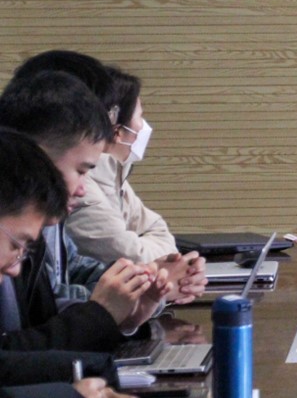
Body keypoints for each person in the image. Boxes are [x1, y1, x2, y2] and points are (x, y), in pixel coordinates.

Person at [0, 71, 179, 353]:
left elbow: (42, 322)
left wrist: (128, 308)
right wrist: (103, 314)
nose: (84, 189)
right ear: (37, 156)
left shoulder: (33, 228)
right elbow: (12, 355)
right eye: (81, 171)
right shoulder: (16, 223)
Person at [7, 53, 202, 304]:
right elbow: (47, 308)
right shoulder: (42, 198)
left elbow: (74, 269)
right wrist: (137, 292)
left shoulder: (80, 179)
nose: (112, 130)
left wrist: (149, 278)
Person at [66, 65, 177, 265]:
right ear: (117, 131)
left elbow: (157, 229)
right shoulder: (80, 185)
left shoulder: (114, 173)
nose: (144, 126)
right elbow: (132, 256)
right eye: (140, 117)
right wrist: (160, 258)